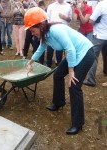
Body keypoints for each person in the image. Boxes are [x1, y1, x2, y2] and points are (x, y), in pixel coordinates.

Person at [25, 7, 95, 135]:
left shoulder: (56, 30)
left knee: (74, 86)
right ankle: (58, 102)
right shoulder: (45, 35)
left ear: (40, 26)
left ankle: (78, 124)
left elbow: (71, 49)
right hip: (74, 54)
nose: (32, 33)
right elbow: (41, 49)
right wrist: (30, 62)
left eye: (32, 30)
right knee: (57, 75)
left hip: (85, 53)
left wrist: (71, 71)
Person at [83, 0, 107, 86]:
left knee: (94, 57)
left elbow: (91, 20)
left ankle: (91, 80)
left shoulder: (102, 4)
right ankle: (106, 71)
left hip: (99, 35)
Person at [46, 0, 72, 67]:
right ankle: (48, 64)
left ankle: (59, 64)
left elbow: (70, 20)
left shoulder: (68, 6)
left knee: (60, 48)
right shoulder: (51, 6)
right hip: (51, 30)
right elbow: (47, 19)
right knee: (50, 47)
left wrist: (65, 18)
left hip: (62, 31)